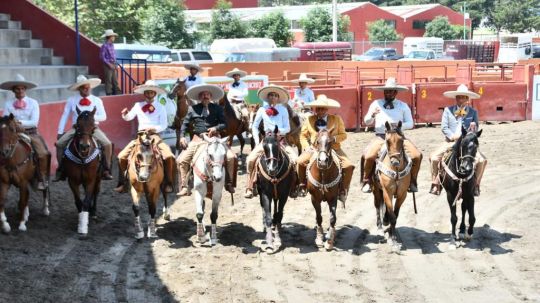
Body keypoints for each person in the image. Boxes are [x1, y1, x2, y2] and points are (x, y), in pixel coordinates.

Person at [361, 77, 422, 193]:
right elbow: (366, 121)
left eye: (390, 91)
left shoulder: (403, 106)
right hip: (381, 137)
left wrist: (398, 127)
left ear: (396, 92)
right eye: (386, 91)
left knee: (416, 155)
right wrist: (372, 115)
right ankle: (366, 180)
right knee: (369, 156)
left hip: (398, 137)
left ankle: (412, 181)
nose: (387, 93)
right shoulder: (376, 103)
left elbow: (410, 123)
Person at [114, 80, 175, 193]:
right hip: (140, 136)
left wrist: (154, 129)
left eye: (152, 92)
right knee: (121, 156)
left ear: (155, 93)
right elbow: (129, 117)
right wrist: (124, 115)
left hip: (154, 136)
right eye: (147, 92)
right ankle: (123, 183)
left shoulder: (161, 107)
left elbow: (164, 124)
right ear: (144, 93)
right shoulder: (138, 105)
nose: (149, 95)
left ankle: (168, 182)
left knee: (169, 156)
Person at [176, 84, 237, 196]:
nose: (205, 96)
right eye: (203, 95)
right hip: (198, 139)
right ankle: (185, 186)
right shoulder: (192, 109)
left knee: (231, 157)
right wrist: (182, 137)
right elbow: (184, 124)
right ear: (199, 97)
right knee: (181, 160)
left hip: (215, 138)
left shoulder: (218, 108)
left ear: (211, 96)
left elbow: (225, 124)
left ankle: (229, 183)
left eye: (207, 94)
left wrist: (216, 128)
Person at [429, 84, 487, 196]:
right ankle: (435, 183)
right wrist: (452, 137)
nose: (460, 100)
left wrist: (472, 132)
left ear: (467, 99)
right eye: (458, 97)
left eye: (463, 97)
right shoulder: (447, 110)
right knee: (434, 158)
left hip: (466, 144)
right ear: (455, 98)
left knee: (482, 161)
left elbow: (476, 130)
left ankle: (476, 185)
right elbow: (444, 127)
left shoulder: (473, 112)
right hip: (450, 142)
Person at [55, 75, 114, 181]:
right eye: (83, 87)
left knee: (107, 144)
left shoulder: (97, 100)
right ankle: (61, 170)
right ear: (79, 89)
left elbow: (104, 116)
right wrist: (60, 131)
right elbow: (64, 115)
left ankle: (106, 169)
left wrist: (89, 118)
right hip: (76, 128)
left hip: (92, 128)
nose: (86, 89)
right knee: (59, 144)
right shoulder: (71, 100)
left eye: (87, 87)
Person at [296, 95, 354, 202]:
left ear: (327, 109)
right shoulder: (309, 119)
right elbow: (303, 135)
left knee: (349, 166)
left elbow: (344, 135)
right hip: (315, 148)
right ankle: (302, 185)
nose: (320, 111)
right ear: (315, 109)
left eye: (323, 108)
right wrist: (306, 146)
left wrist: (334, 138)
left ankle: (343, 190)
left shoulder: (336, 119)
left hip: (333, 148)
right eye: (318, 108)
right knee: (299, 161)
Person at [244, 85, 298, 199]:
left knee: (295, 160)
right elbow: (254, 126)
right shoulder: (262, 110)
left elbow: (287, 128)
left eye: (275, 95)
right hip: (266, 141)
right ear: (267, 98)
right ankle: (249, 186)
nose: (273, 97)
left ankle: (294, 186)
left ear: (278, 98)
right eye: (271, 95)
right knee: (250, 160)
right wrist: (258, 140)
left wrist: (279, 133)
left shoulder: (283, 110)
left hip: (280, 140)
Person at [0, 74, 50, 190]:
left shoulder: (33, 103)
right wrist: (13, 125)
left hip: (30, 133)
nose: (20, 91)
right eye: (17, 89)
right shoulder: (8, 104)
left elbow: (34, 122)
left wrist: (18, 122)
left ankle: (42, 177)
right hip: (12, 133)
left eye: (22, 88)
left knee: (42, 152)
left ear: (25, 89)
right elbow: (6, 120)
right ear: (13, 90)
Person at [99, 29, 121, 96]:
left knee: (115, 80)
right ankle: (109, 93)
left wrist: (115, 64)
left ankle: (117, 93)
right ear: (110, 37)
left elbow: (113, 56)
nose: (114, 37)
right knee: (108, 80)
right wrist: (109, 64)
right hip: (107, 65)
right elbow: (102, 57)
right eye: (113, 36)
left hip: (113, 64)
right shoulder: (104, 46)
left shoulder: (112, 45)